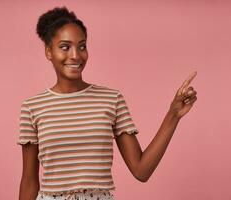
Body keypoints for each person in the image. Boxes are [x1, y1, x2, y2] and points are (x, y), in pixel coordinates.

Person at [17, 6, 197, 200]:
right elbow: (29, 181)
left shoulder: (111, 100)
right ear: (48, 52)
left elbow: (141, 170)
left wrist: (173, 115)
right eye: (65, 47)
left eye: (82, 46)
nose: (75, 55)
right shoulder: (32, 107)